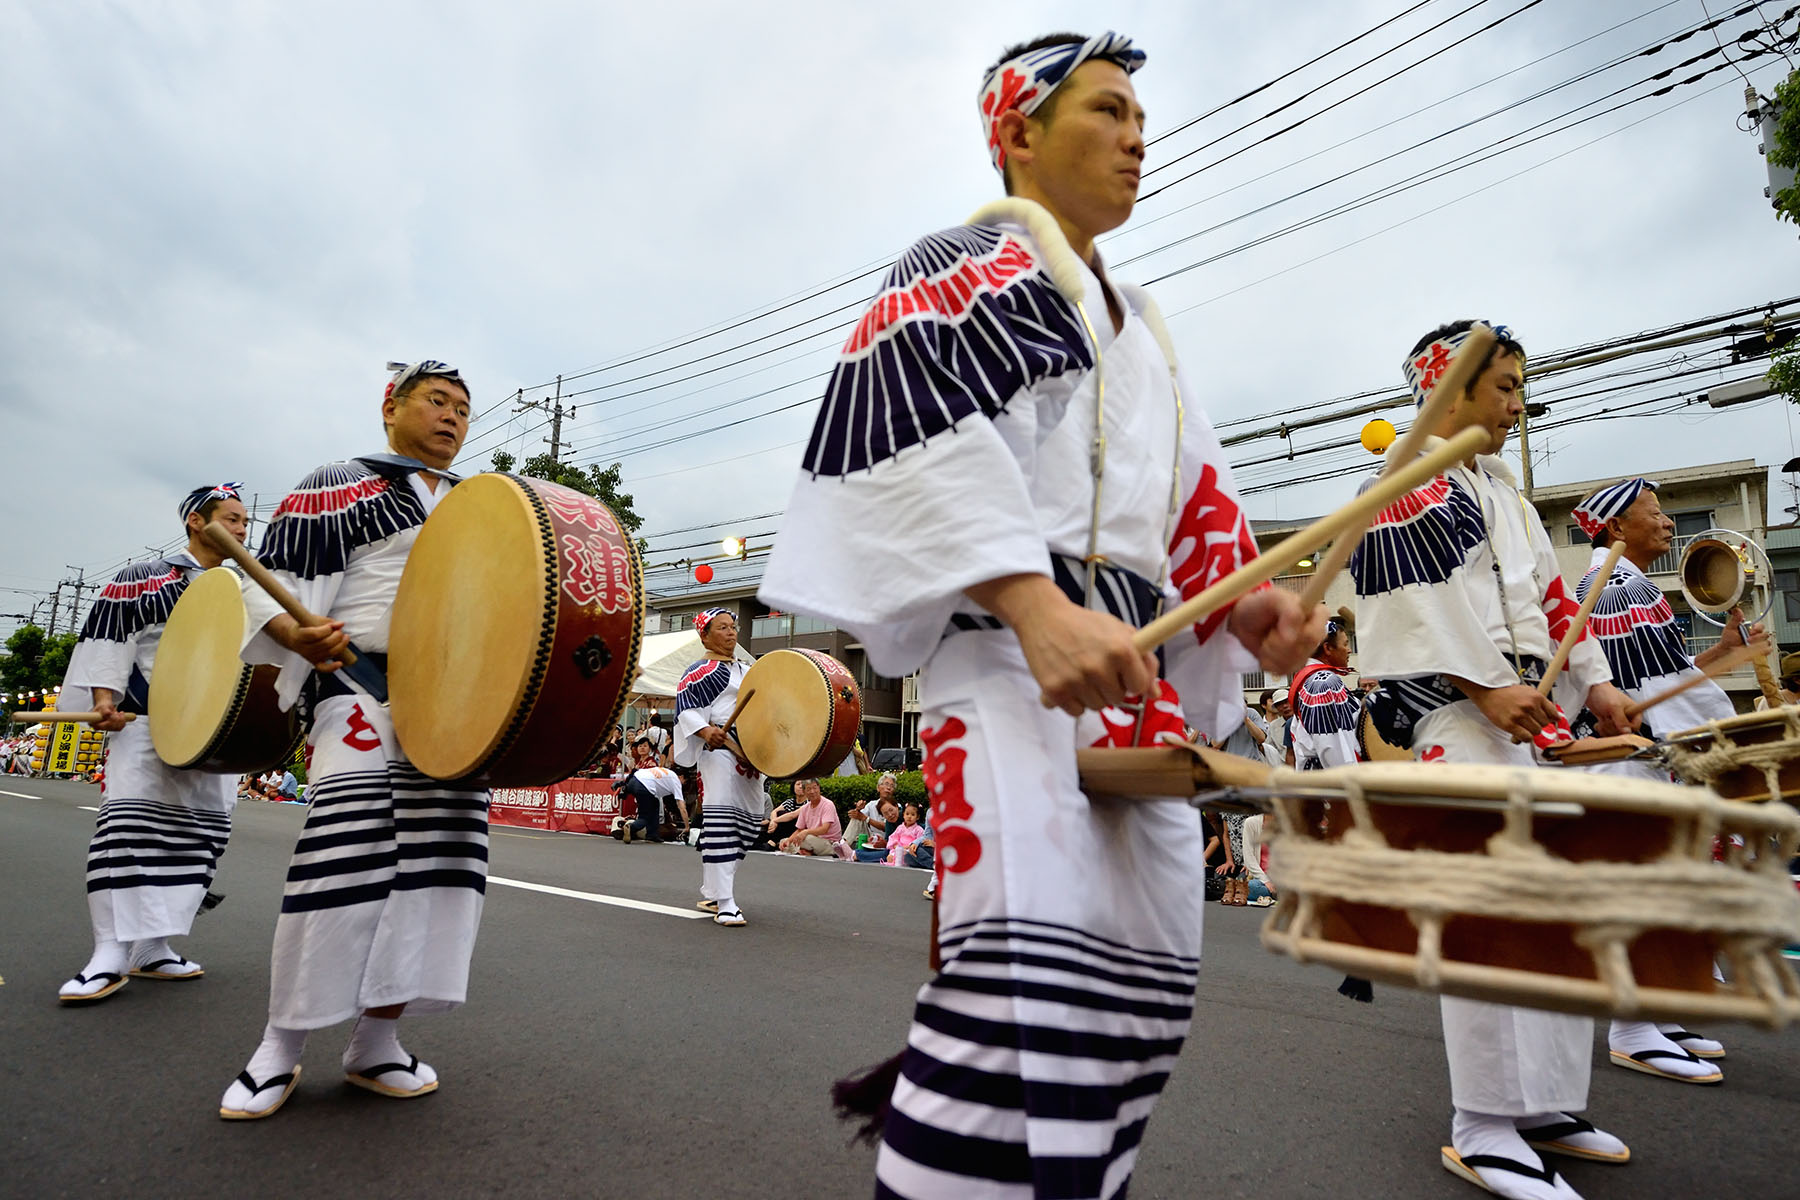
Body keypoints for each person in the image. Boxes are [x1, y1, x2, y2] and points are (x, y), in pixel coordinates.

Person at [758, 31, 1318, 1197]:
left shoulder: (1146, 324)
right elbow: (919, 443)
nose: (1136, 133)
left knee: (1132, 1014)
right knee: (1012, 1009)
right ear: (1017, 133)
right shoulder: (966, 262)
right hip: (1006, 670)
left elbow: (1195, 500)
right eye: (1108, 110)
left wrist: (1252, 608)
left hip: (1129, 679)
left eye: (1139, 115)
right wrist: (1032, 604)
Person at [1354, 321, 1636, 1200]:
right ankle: (1481, 1124)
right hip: (1456, 715)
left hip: (1522, 711)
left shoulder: (1505, 492)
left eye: (1520, 387)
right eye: (1503, 385)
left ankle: (1541, 1103)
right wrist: (1481, 689)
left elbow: (1555, 599)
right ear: (1451, 390)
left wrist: (1593, 682)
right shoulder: (1403, 477)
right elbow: (1410, 607)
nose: (1517, 404)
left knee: (1546, 912)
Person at [220, 360, 488, 1121]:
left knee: (438, 877)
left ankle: (378, 1039)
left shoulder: (482, 504)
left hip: (461, 707)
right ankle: (281, 1044)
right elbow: (264, 583)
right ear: (391, 408)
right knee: (340, 866)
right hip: (362, 688)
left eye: (464, 409)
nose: (451, 418)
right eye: (436, 401)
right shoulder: (337, 482)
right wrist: (293, 631)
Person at [1572, 477, 1747, 1083]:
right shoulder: (1621, 587)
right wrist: (1718, 741)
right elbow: (1646, 693)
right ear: (1616, 527)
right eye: (1655, 512)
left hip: (1626, 758)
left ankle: (1658, 1018)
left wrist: (1720, 655)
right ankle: (1633, 1027)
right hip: (1632, 761)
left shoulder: (1616, 584)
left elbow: (1651, 677)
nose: (1668, 523)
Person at [54, 482, 251, 1004]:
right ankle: (109, 953)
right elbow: (110, 637)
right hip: (147, 722)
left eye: (244, 521)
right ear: (196, 522)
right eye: (231, 519)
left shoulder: (244, 583)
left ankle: (152, 946)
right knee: (127, 833)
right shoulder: (147, 577)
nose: (240, 529)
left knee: (197, 839)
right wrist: (103, 698)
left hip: (217, 732)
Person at [675, 609, 763, 926]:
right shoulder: (698, 671)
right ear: (705, 635)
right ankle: (726, 901)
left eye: (733, 627)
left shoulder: (749, 670)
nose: (731, 633)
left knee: (751, 822)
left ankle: (713, 890)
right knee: (722, 820)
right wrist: (705, 731)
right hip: (720, 749)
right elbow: (686, 710)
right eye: (722, 627)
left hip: (751, 754)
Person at [619, 739, 685, 844]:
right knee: (647, 814)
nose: (642, 748)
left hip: (648, 789)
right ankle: (633, 827)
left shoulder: (652, 762)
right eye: (640, 746)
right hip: (644, 789)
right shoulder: (638, 762)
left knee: (651, 809)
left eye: (645, 746)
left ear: (650, 749)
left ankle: (651, 834)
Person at [779, 777, 849, 858]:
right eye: (808, 789)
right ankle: (807, 851)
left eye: (815, 788)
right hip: (813, 840)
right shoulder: (805, 808)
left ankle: (805, 850)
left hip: (830, 843)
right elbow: (799, 830)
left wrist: (806, 832)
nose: (812, 791)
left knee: (806, 839)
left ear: (819, 788)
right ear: (804, 791)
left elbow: (824, 829)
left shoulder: (828, 804)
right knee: (784, 841)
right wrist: (789, 841)